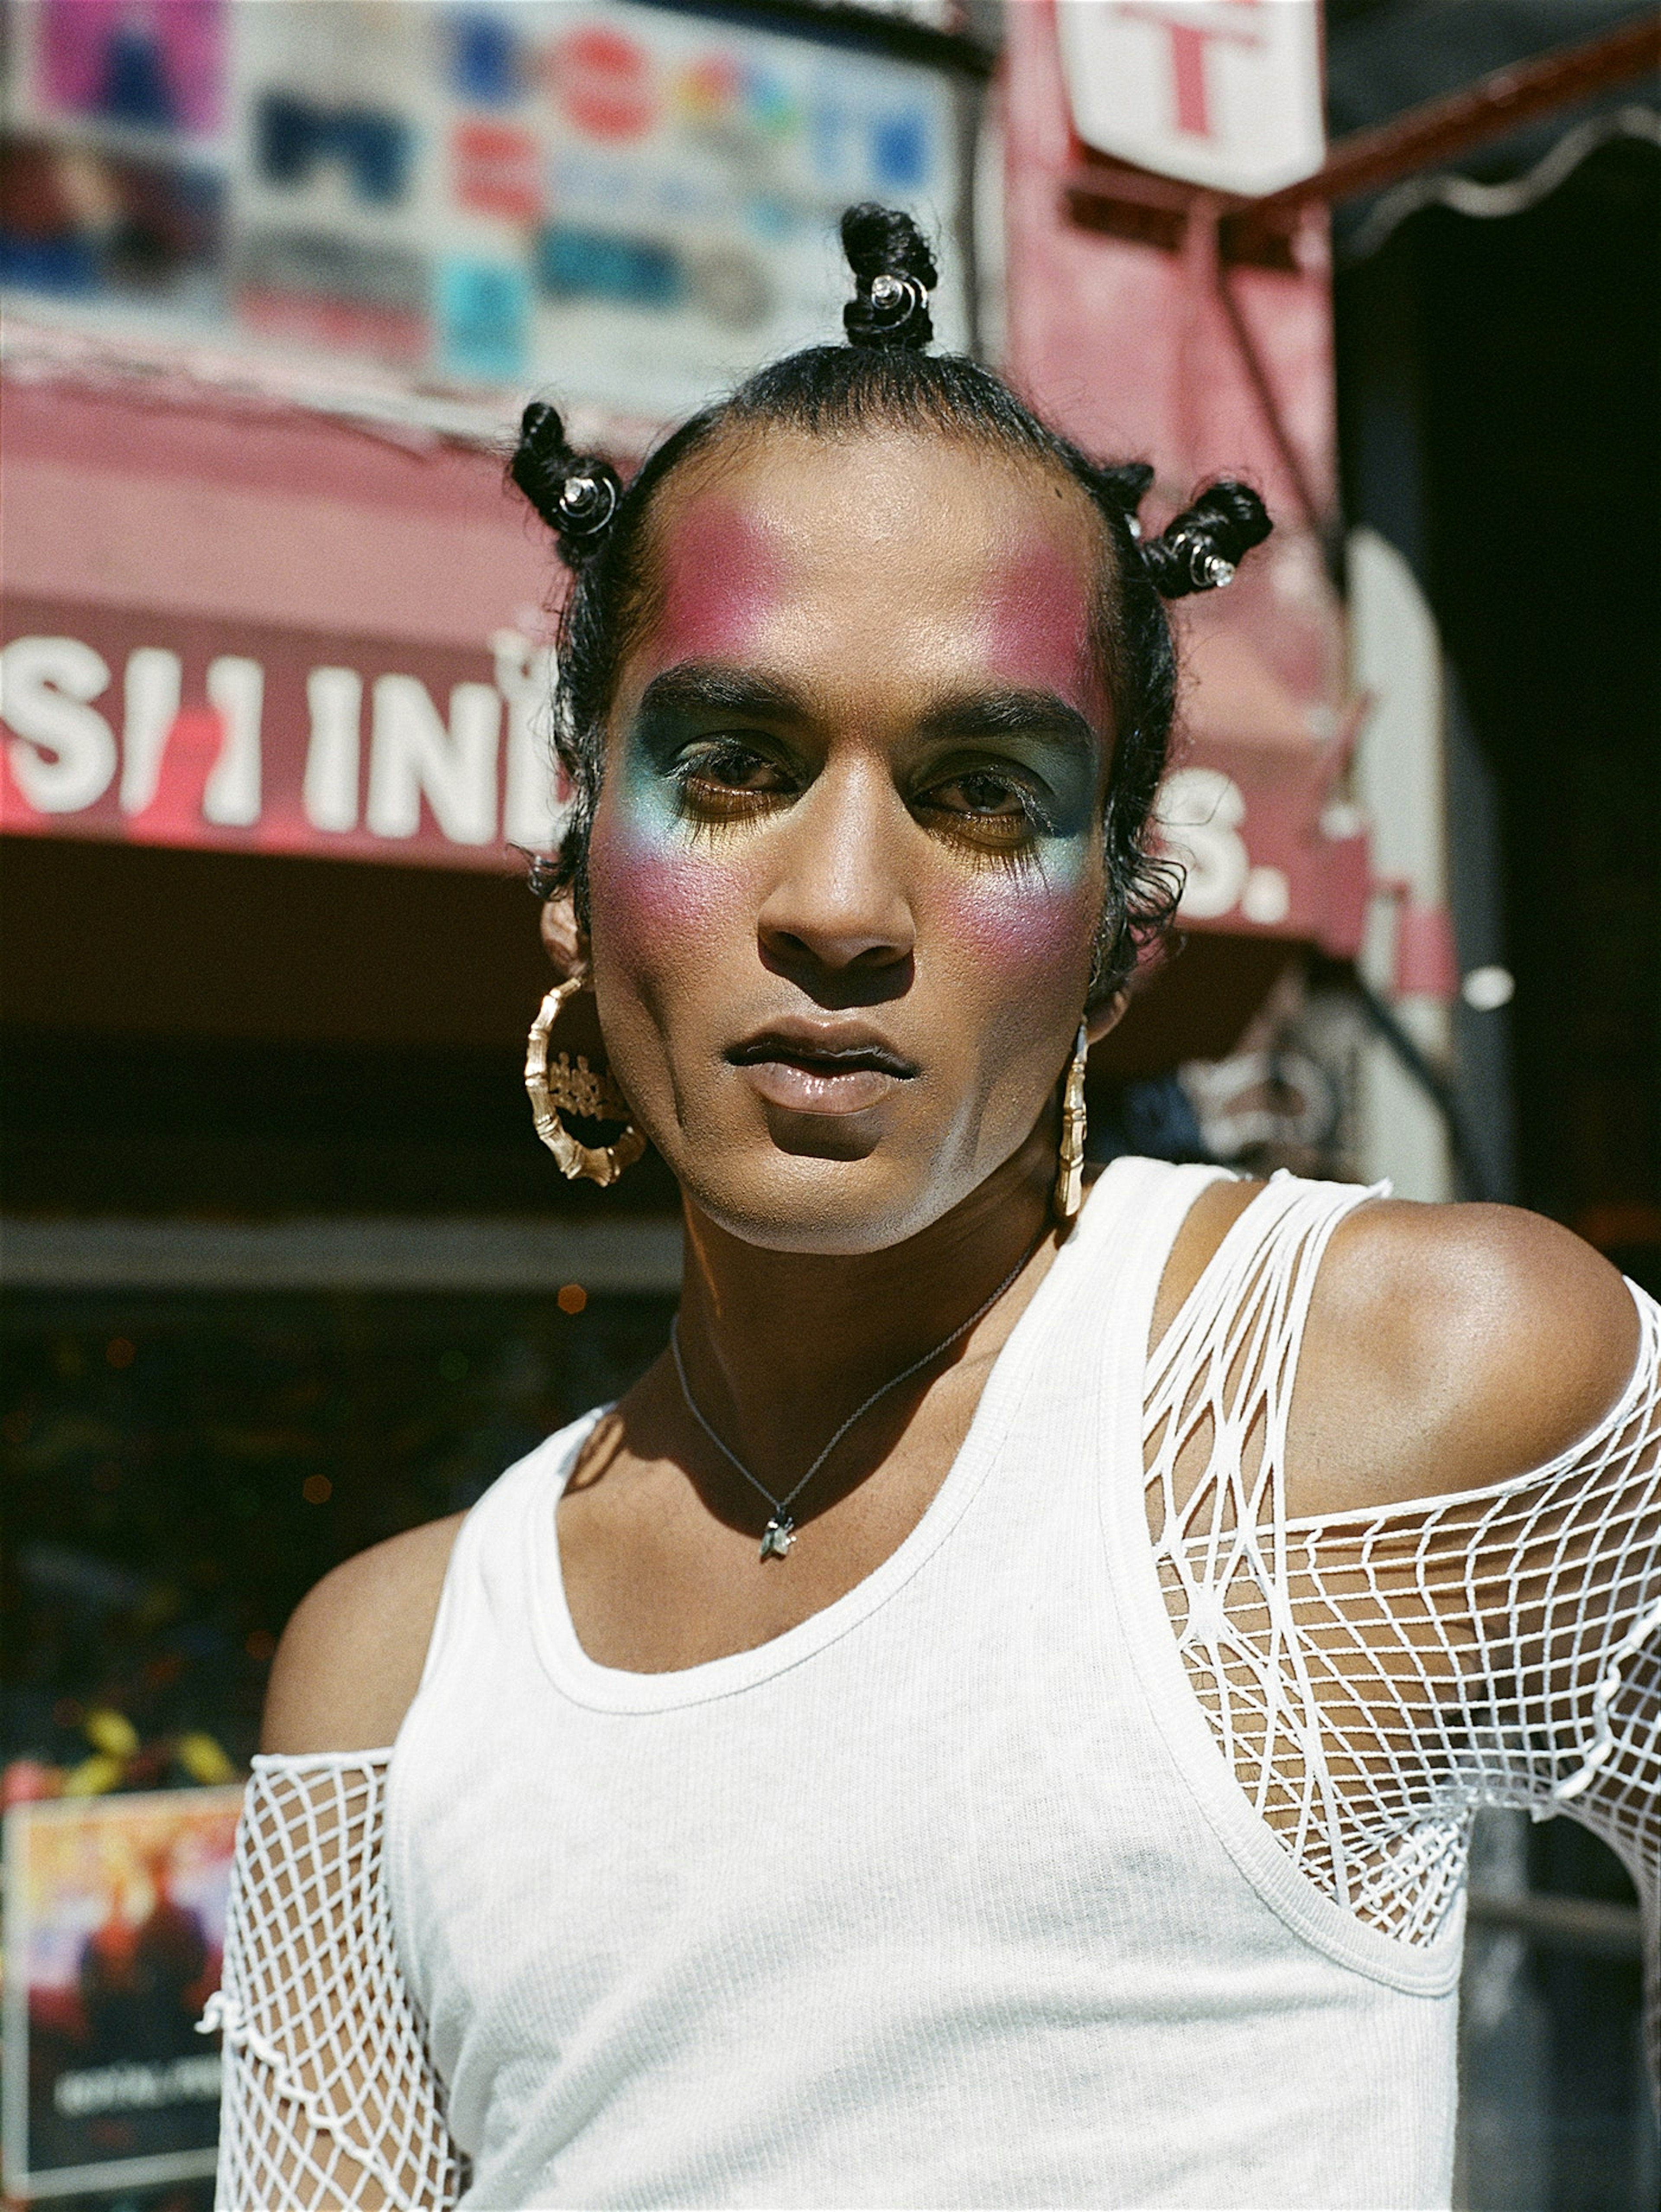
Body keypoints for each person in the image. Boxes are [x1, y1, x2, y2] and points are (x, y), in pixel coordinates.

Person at [209, 208, 1658, 2212]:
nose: (837, 905)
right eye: (732, 762)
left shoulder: (1397, 1385)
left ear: (1117, 936)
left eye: (985, 788)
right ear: (574, 875)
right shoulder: (388, 1673)